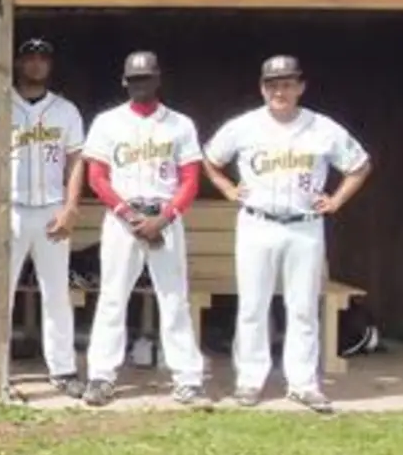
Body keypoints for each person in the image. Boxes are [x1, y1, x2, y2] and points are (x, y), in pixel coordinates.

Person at [203, 55, 372, 413]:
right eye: (273, 84)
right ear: (262, 88)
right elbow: (210, 158)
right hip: (257, 221)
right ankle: (250, 380)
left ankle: (303, 383)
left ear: (301, 87)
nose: (280, 90)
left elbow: (360, 165)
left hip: (304, 224)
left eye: (287, 83)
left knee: (303, 307)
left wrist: (337, 200)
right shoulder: (244, 126)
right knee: (252, 306)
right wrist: (228, 189)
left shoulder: (322, 128)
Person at [80, 51, 211, 409]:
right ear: (125, 82)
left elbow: (190, 181)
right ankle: (101, 377)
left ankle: (188, 380)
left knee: (174, 301)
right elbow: (97, 177)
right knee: (111, 299)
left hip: (164, 216)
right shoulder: (108, 122)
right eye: (135, 79)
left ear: (158, 79)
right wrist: (128, 214)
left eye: (147, 78)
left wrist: (163, 218)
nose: (141, 84)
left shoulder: (180, 124)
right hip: (123, 219)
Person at [0, 37, 86, 398]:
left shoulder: (65, 110)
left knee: (56, 293)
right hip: (11, 209)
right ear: (18, 63)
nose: (36, 64)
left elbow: (76, 161)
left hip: (51, 209)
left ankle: (63, 368)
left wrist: (70, 207)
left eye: (42, 58)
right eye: (29, 58)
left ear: (49, 65)